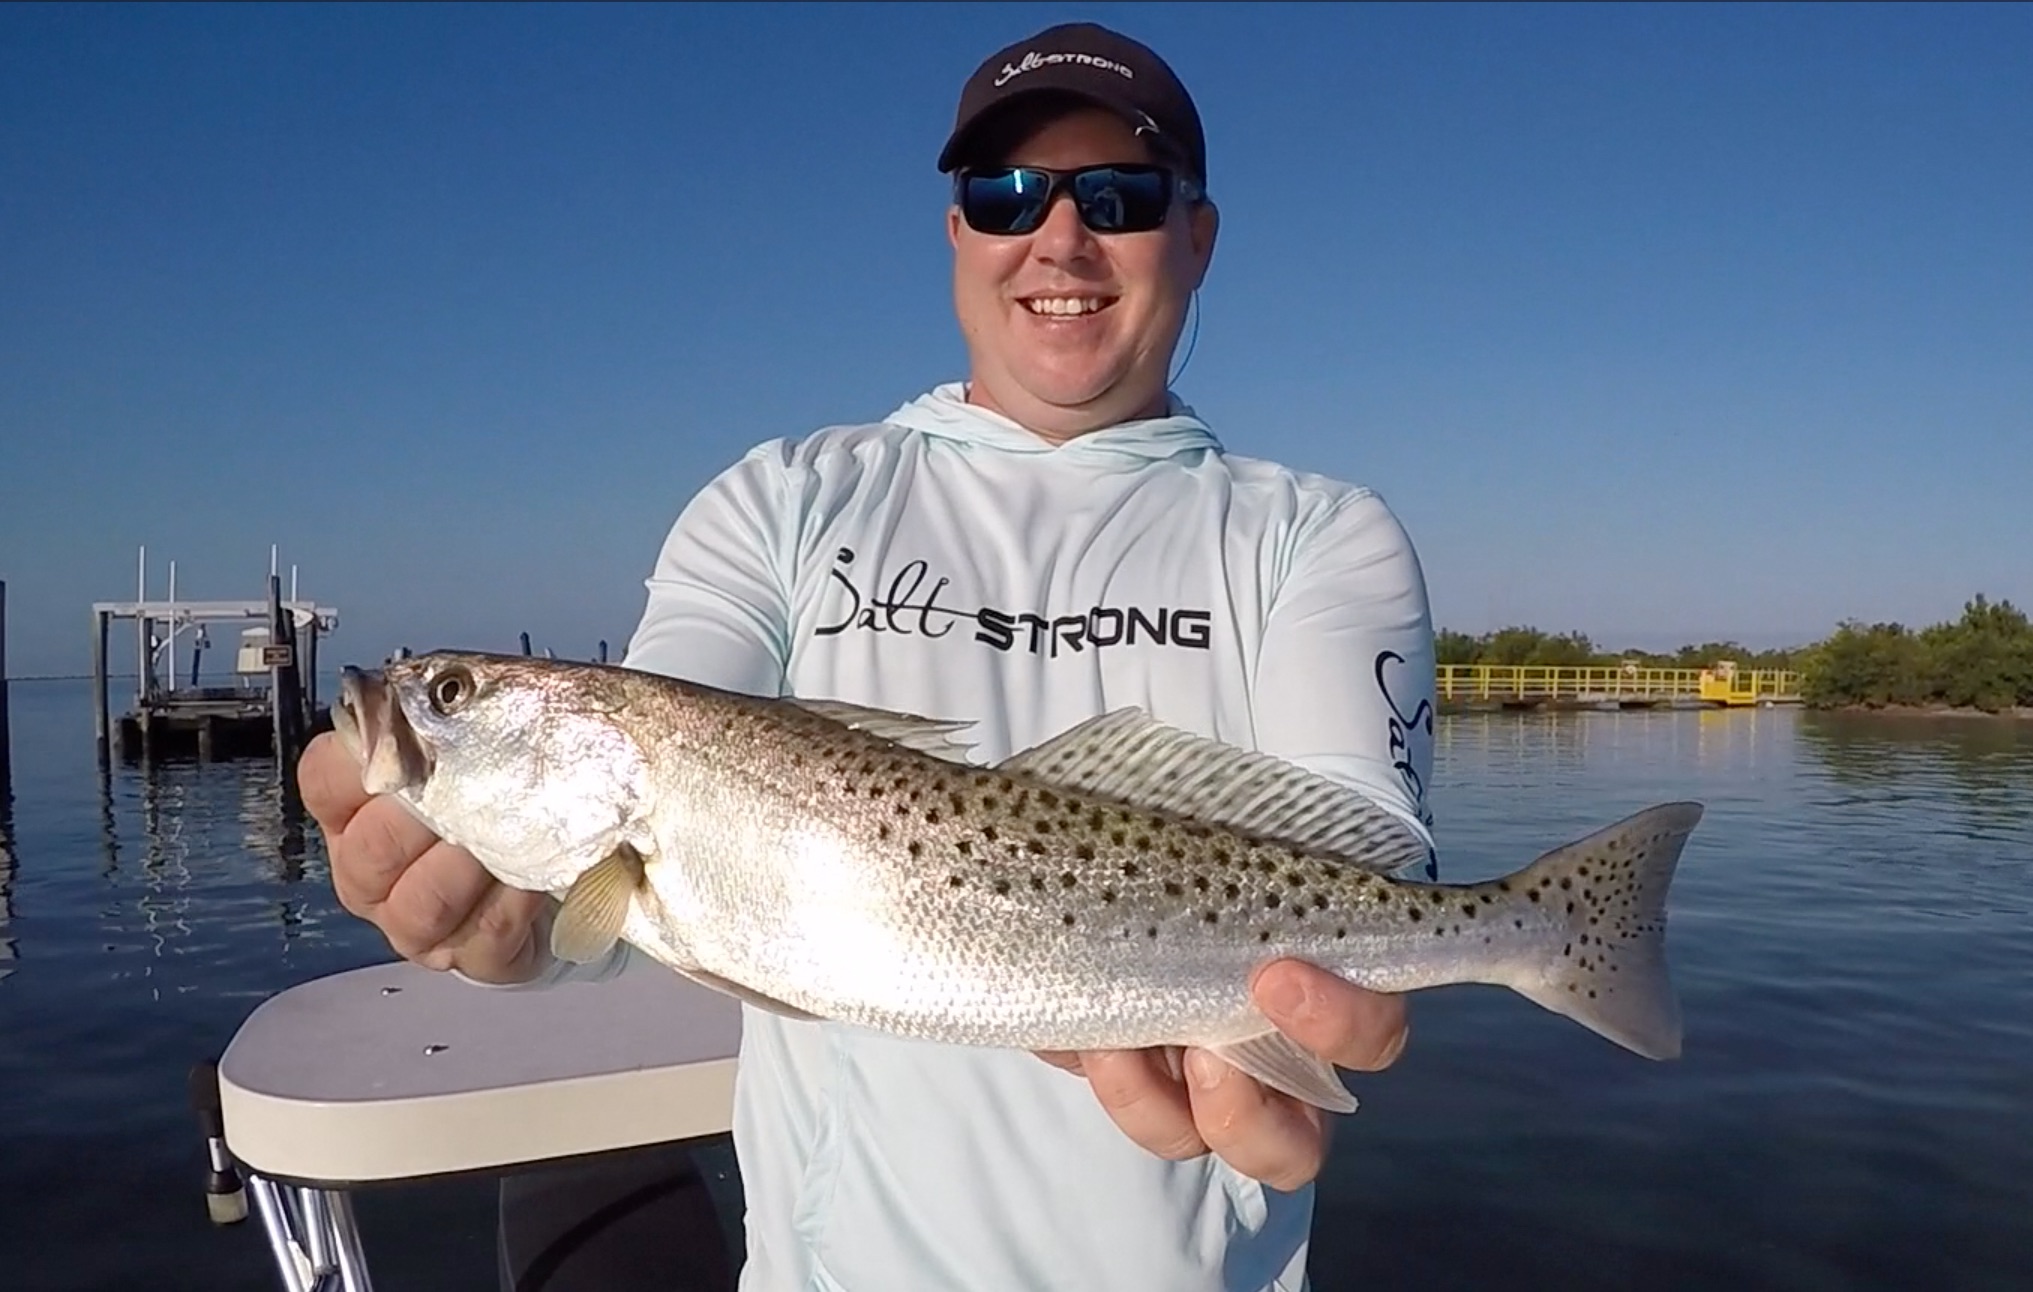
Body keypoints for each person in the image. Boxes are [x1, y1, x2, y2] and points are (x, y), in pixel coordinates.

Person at [299, 20, 1438, 1292]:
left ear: (1198, 236)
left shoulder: (1316, 535)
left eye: (1119, 195)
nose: (1059, 238)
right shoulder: (781, 501)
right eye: (1006, 195)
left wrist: (1357, 987)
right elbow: (620, 895)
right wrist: (516, 925)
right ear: (956, 231)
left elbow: (1372, 854)